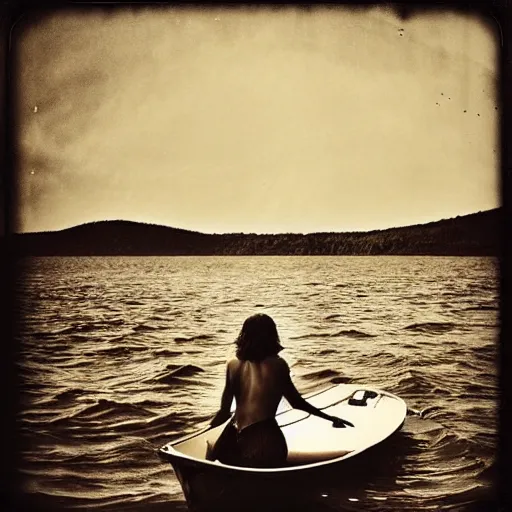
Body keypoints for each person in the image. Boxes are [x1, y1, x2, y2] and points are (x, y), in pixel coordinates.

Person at [206, 313, 353, 468]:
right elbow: (296, 403)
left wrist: (204, 431)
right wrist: (330, 418)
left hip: (237, 437)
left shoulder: (232, 365)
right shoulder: (278, 365)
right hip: (266, 440)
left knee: (217, 457)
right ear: (271, 337)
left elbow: (223, 412)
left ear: (244, 335)